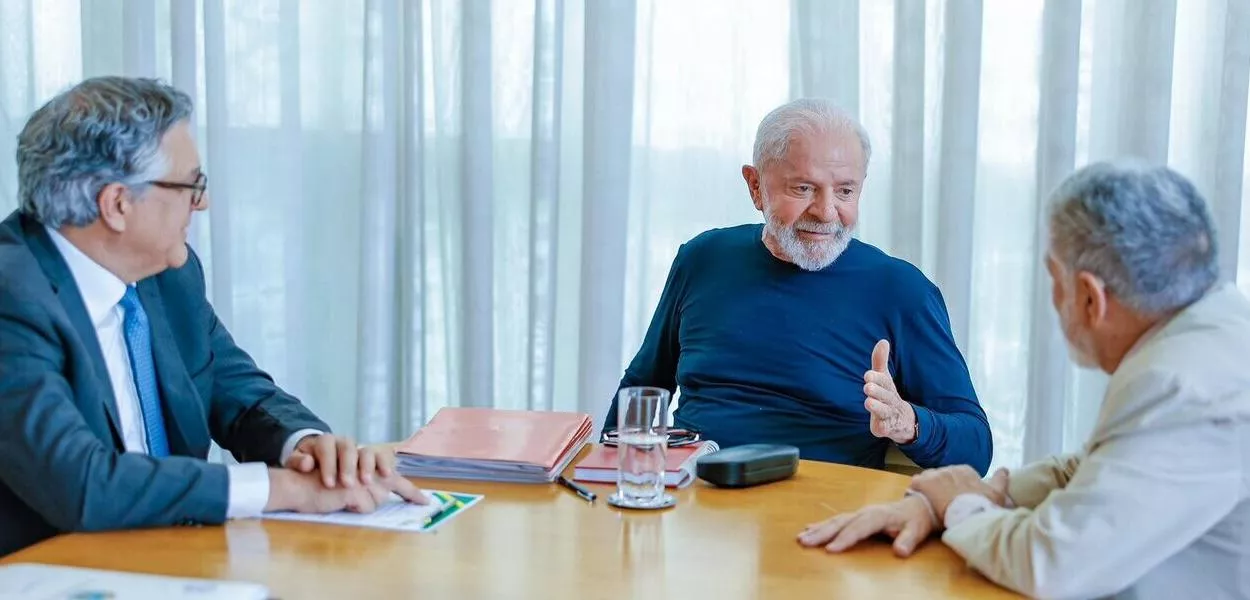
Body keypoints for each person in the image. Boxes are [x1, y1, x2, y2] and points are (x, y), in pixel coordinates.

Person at [0, 77, 427, 557]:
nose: (201, 203)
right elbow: (81, 483)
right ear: (117, 205)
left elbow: (240, 394)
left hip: (179, 561)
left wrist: (305, 448)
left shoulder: (166, 274)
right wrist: (282, 489)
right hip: (54, 570)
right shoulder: (12, 296)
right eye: (191, 185)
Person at [798, 162, 1250, 599]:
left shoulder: (1184, 383)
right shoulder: (1214, 326)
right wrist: (944, 499)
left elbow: (1051, 565)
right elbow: (1096, 466)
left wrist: (959, 506)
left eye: (1054, 279)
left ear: (1091, 298)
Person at [603, 98, 992, 472]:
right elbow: (642, 389)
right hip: (694, 498)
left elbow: (976, 445)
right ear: (755, 186)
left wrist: (909, 423)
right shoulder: (701, 258)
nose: (826, 212)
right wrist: (608, 481)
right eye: (803, 188)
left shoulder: (902, 290)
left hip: (820, 516)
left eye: (845, 191)